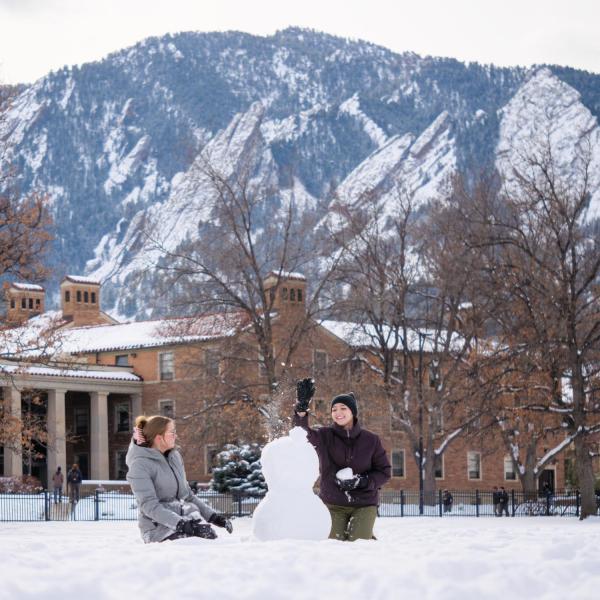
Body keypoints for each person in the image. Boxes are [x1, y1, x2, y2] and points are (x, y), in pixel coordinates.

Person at [293, 377, 391, 541]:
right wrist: (301, 411)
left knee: (358, 542)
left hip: (364, 503)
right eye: (334, 410)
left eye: (343, 408)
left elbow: (384, 472)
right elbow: (302, 434)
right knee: (333, 544)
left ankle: (366, 536)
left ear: (353, 412)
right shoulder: (324, 436)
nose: (338, 413)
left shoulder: (371, 440)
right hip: (333, 503)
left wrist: (362, 481)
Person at [127, 415, 233, 543]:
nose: (175, 436)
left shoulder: (174, 457)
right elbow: (149, 506)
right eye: (172, 433)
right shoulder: (140, 465)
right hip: (157, 529)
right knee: (193, 545)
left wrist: (214, 517)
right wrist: (182, 525)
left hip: (186, 518)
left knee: (210, 540)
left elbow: (187, 495)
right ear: (159, 438)